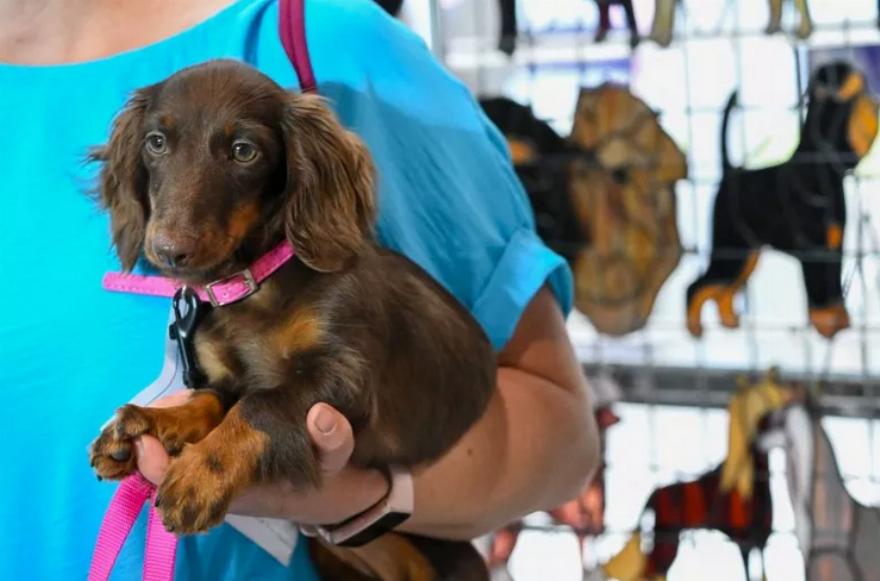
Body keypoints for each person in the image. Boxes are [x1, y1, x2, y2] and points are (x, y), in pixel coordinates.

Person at [0, 0, 599, 578]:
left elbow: (562, 440)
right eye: (159, 146)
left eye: (242, 152)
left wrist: (347, 495)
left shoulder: (328, 45)